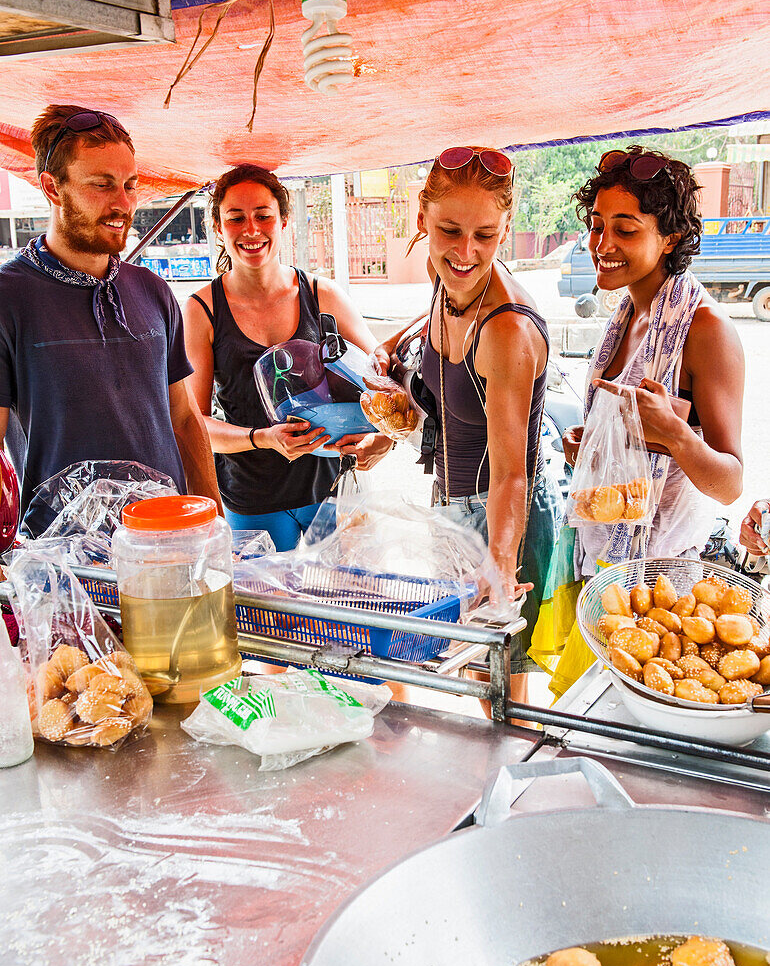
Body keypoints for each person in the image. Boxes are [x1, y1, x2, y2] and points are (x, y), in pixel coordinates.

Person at [373, 146, 562, 696]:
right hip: (452, 501)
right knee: (469, 667)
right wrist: (395, 346)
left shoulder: (506, 332)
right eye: (449, 231)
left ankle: (517, 778)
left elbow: (510, 474)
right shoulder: (449, 280)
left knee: (497, 681)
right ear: (422, 219)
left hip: (506, 514)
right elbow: (446, 310)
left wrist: (501, 566)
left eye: (486, 236)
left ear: (505, 228)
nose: (465, 251)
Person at [0, 104, 221, 535]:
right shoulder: (9, 297)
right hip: (63, 562)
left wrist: (214, 520)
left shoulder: (152, 290)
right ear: (52, 187)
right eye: (102, 185)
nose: (123, 204)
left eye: (130, 185)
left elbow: (184, 418)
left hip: (166, 541)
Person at [183, 163, 391, 551]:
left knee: (344, 605)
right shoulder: (202, 311)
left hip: (333, 490)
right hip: (251, 499)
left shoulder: (322, 294)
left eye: (263, 215)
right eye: (236, 218)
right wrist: (262, 438)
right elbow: (193, 424)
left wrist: (382, 439)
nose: (251, 230)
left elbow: (387, 385)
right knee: (265, 611)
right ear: (218, 226)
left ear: (284, 221)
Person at [564, 147, 744, 576]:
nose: (602, 245)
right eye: (596, 226)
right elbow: (631, 441)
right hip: (599, 564)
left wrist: (677, 435)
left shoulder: (705, 329)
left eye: (625, 231)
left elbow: (730, 485)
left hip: (663, 578)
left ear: (671, 238)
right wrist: (591, 446)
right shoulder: (624, 316)